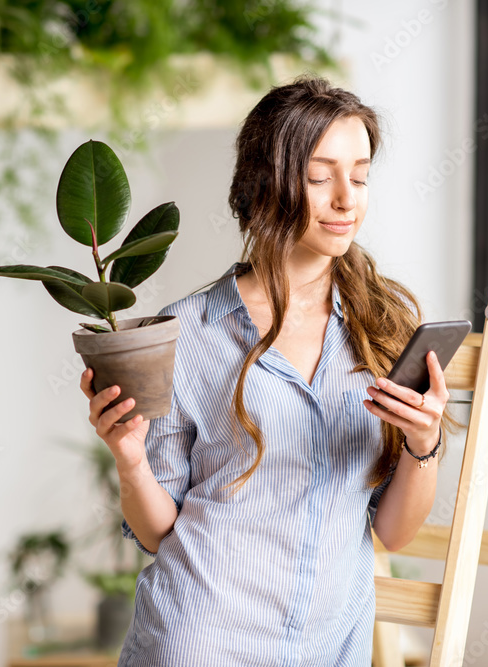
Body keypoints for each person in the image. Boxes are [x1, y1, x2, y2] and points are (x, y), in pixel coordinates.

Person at [80, 75, 459, 665]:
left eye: (359, 176)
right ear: (265, 183)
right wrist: (130, 459)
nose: (346, 198)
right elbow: (159, 533)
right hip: (202, 638)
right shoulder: (187, 332)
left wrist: (423, 442)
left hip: (332, 645)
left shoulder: (382, 325)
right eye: (319, 176)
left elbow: (393, 532)